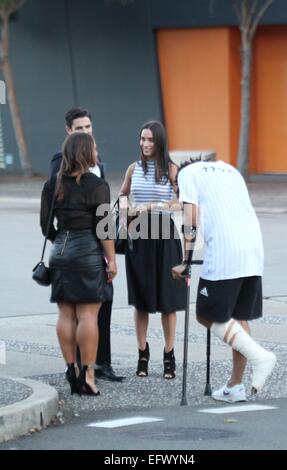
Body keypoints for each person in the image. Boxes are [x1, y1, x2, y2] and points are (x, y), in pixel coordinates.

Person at [172, 158, 276, 402]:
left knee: (205, 314)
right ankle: (235, 386)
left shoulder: (186, 175)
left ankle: (260, 356)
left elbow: (191, 219)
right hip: (253, 248)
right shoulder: (230, 170)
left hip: (225, 252)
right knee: (239, 317)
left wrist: (185, 261)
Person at [50, 107, 124, 382]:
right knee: (83, 310)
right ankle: (84, 368)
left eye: (88, 127)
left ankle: (98, 364)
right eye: (80, 128)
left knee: (98, 305)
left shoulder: (98, 163)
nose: (85, 132)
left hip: (78, 247)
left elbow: (47, 220)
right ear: (69, 131)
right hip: (88, 247)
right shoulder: (59, 161)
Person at [119, 120, 187, 379]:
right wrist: (126, 207)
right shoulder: (133, 168)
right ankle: (142, 353)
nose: (146, 144)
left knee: (168, 300)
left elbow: (180, 203)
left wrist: (150, 206)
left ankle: (169, 356)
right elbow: (123, 194)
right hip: (140, 236)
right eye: (142, 139)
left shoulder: (171, 169)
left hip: (165, 235)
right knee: (142, 300)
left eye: (150, 140)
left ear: (159, 142)